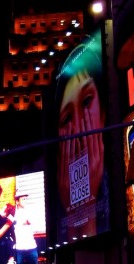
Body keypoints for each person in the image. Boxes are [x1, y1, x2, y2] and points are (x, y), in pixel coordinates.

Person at [54, 30, 109, 241]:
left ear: (104, 111)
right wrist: (77, 207)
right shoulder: (58, 208)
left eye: (86, 102)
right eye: (67, 118)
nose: (78, 127)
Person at [13, 193, 38, 264]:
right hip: (19, 248)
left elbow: (34, 223)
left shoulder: (31, 211)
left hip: (31, 247)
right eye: (23, 199)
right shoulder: (13, 213)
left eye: (26, 199)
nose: (25, 201)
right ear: (17, 201)